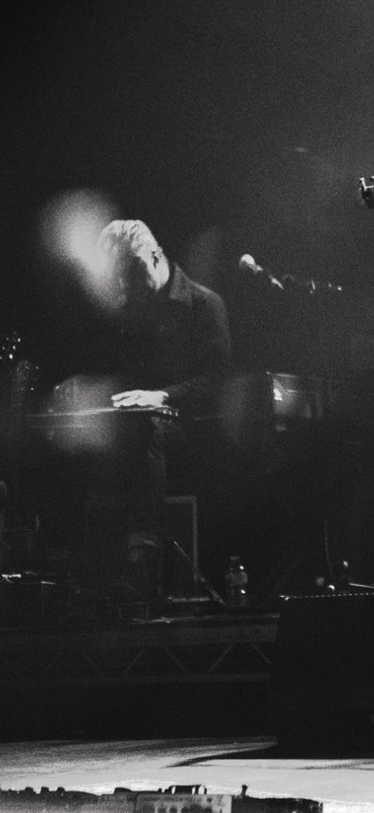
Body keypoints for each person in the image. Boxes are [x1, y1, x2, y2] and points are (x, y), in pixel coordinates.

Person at [39, 219, 232, 607]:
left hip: (193, 429)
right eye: (120, 278)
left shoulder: (205, 304)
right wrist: (83, 388)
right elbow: (118, 378)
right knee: (69, 431)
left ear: (155, 257)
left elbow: (217, 383)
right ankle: (65, 560)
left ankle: (144, 557)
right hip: (140, 426)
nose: (126, 287)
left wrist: (160, 397)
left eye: (131, 274)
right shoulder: (130, 313)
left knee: (146, 428)